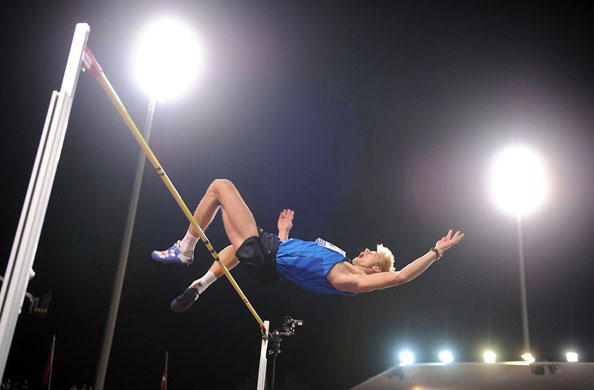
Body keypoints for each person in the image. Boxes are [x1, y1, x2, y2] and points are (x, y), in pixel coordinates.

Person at [151, 179, 464, 312]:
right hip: (271, 252)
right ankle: (199, 285)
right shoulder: (340, 259)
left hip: (266, 255)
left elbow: (399, 277)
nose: (364, 251)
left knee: (221, 186)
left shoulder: (351, 279)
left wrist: (436, 252)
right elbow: (296, 264)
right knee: (231, 248)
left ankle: (186, 248)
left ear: (377, 268)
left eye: (370, 254)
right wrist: (283, 232)